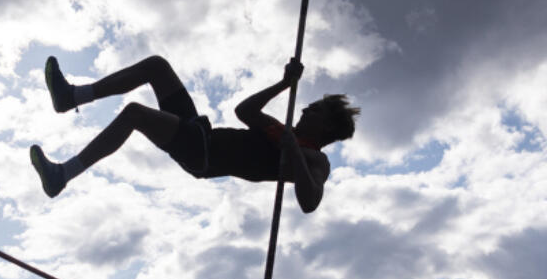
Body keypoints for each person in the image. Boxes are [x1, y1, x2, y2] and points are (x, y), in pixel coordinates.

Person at [28, 55, 358, 211]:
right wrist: (284, 84)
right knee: (156, 66)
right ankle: (71, 97)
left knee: (134, 114)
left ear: (326, 127)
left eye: (314, 110)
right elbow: (244, 112)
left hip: (204, 155)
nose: (304, 109)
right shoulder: (283, 131)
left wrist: (295, 153)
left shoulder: (316, 158)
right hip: (203, 133)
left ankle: (62, 174)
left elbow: (310, 201)